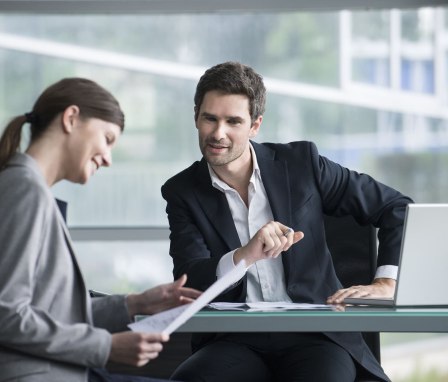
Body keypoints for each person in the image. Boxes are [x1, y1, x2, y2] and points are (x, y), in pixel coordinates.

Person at [161, 61, 413, 382]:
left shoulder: (301, 164)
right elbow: (191, 279)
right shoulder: (182, 191)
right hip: (233, 339)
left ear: (255, 125)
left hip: (315, 336)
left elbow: (397, 208)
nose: (218, 133)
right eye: (210, 118)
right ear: (196, 116)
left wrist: (386, 283)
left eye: (233, 121)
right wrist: (245, 255)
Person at [0, 78, 201, 382]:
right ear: (71, 119)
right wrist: (106, 346)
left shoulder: (30, 189)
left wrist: (136, 304)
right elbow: (6, 316)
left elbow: (51, 313)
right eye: (107, 139)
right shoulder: (23, 189)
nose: (107, 159)